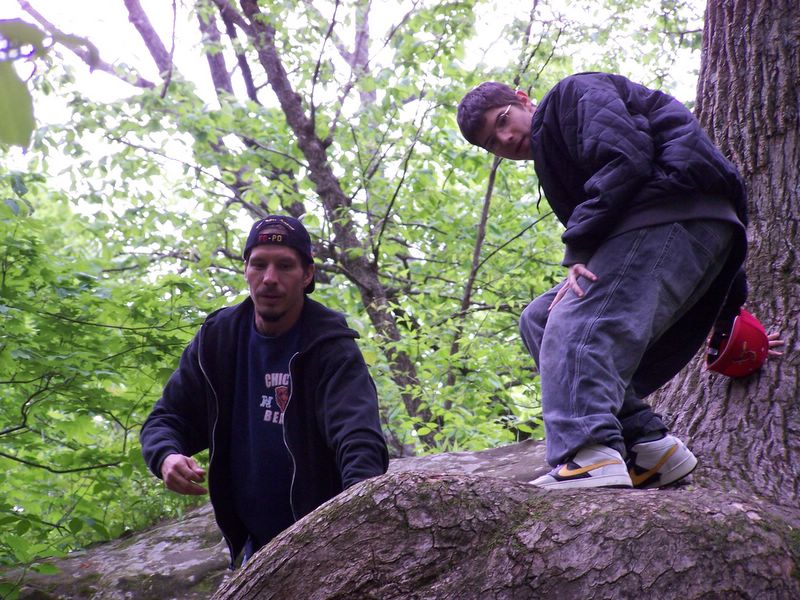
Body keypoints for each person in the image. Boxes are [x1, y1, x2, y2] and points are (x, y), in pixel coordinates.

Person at [457, 72, 782, 490]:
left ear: (523, 99)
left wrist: (578, 246)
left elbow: (626, 157)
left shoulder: (571, 95)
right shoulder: (556, 155)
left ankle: (590, 452)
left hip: (671, 215)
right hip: (682, 230)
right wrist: (729, 314)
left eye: (503, 120)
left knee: (575, 322)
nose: (504, 139)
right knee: (540, 318)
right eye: (491, 143)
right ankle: (649, 445)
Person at [140, 215, 389, 565]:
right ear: (246, 270)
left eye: (284, 266)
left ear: (307, 274)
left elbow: (359, 442)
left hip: (325, 545)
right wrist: (167, 456)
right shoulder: (219, 339)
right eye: (259, 264)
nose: (270, 278)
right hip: (253, 548)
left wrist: (353, 527)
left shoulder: (330, 347)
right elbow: (167, 418)